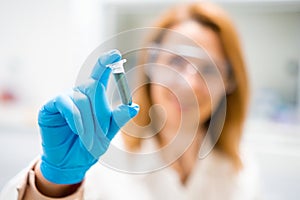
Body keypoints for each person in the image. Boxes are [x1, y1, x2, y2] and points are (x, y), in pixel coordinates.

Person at [0, 1, 261, 199]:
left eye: (208, 70)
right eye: (176, 62)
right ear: (151, 63)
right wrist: (53, 183)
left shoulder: (238, 167)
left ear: (229, 84)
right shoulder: (100, 151)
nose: (190, 84)